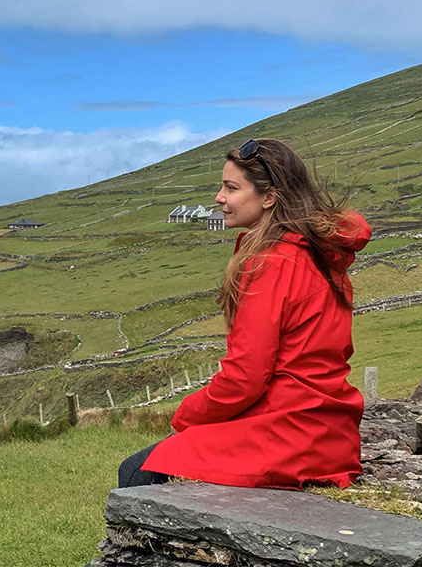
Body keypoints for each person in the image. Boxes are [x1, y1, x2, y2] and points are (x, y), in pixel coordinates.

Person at [118, 138, 371, 490]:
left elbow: (246, 378)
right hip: (329, 432)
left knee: (136, 471)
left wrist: (186, 415)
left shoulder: (271, 262)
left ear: (269, 197)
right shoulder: (318, 250)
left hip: (289, 434)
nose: (218, 197)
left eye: (231, 188)